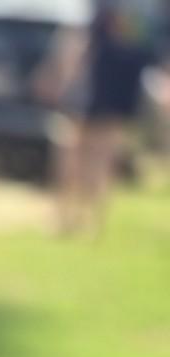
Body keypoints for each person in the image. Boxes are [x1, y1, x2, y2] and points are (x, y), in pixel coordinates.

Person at [39, 0, 170, 235]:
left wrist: (59, 77)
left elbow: (78, 42)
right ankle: (81, 219)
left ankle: (75, 218)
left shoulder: (123, 11)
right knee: (92, 157)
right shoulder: (143, 12)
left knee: (84, 155)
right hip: (109, 92)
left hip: (97, 90)